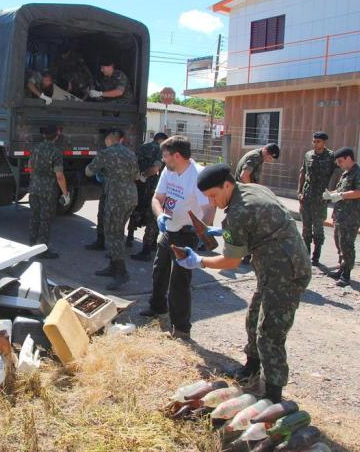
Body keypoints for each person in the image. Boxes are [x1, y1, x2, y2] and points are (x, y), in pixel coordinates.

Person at [175, 164, 312, 403]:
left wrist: (200, 262)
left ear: (227, 184)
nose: (214, 203)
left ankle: (272, 394)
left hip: (286, 272)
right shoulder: (251, 189)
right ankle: (251, 368)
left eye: (214, 196)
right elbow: (251, 226)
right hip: (273, 269)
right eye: (208, 198)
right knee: (253, 317)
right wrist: (220, 230)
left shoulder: (240, 211)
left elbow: (231, 261)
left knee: (270, 330)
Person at [138, 136, 214, 339]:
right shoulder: (169, 171)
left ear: (177, 156)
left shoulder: (197, 176)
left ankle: (181, 328)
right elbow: (157, 198)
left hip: (186, 235)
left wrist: (202, 232)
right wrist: (159, 214)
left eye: (165, 156)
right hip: (167, 231)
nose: (162, 160)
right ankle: (157, 308)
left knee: (179, 282)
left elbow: (208, 207)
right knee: (158, 271)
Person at [85, 129, 138, 290]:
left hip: (116, 198)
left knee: (113, 234)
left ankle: (121, 273)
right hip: (131, 196)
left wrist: (102, 173)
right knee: (118, 231)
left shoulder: (105, 153)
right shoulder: (130, 154)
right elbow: (136, 176)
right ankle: (113, 267)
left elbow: (88, 171)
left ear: (109, 139)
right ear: (120, 139)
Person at [323, 147, 360, 287]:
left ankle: (346, 274)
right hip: (341, 214)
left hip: (352, 216)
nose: (339, 164)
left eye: (340, 161)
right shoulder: (346, 173)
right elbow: (341, 190)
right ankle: (341, 268)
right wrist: (331, 194)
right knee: (339, 243)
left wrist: (341, 195)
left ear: (349, 158)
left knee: (347, 245)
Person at [28, 125, 70, 260]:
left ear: (44, 136)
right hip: (48, 191)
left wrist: (35, 180)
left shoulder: (35, 148)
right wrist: (65, 193)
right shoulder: (55, 152)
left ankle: (32, 245)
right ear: (56, 136)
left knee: (35, 216)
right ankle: (42, 250)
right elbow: (59, 175)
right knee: (45, 220)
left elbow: (30, 167)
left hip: (34, 188)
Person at [297, 131, 338, 265]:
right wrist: (299, 191)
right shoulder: (308, 155)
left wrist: (330, 192)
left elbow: (336, 174)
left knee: (318, 227)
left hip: (321, 197)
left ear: (324, 142)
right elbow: (303, 173)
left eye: (318, 141)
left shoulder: (331, 156)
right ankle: (306, 254)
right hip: (307, 195)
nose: (315, 144)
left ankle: (316, 255)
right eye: (314, 141)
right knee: (306, 227)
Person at [128, 132, 168, 261]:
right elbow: (156, 169)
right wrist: (146, 175)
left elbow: (133, 163)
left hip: (140, 184)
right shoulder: (162, 151)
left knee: (135, 209)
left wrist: (140, 176)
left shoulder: (143, 147)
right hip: (155, 189)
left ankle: (129, 237)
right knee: (153, 217)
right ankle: (150, 247)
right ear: (162, 140)